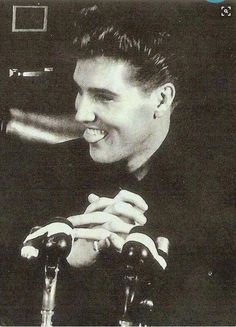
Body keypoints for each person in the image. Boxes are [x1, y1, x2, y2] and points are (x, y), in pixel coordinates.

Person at [5, 3, 235, 326]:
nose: (81, 114)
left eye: (104, 97)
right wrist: (60, 262)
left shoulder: (221, 195)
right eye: (79, 91)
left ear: (161, 99)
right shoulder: (40, 173)